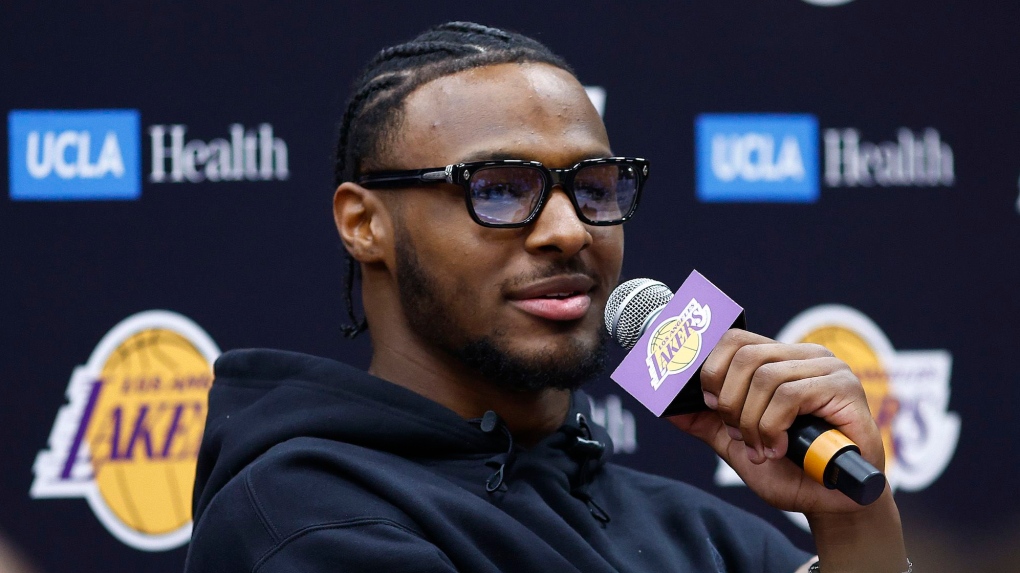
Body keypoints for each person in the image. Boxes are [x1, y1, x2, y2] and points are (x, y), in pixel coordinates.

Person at [185, 22, 909, 573]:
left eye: (594, 189)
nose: (568, 231)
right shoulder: (301, 520)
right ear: (364, 224)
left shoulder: (710, 536)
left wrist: (853, 531)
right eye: (498, 189)